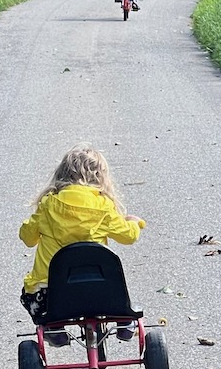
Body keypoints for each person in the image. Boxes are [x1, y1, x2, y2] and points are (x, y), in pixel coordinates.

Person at [19, 146, 145, 343]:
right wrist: (134, 223)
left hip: (52, 294)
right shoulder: (103, 206)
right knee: (115, 287)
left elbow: (27, 238)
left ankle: (54, 328)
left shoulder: (48, 205)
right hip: (100, 290)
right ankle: (125, 321)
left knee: (37, 295)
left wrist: (33, 223)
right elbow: (128, 237)